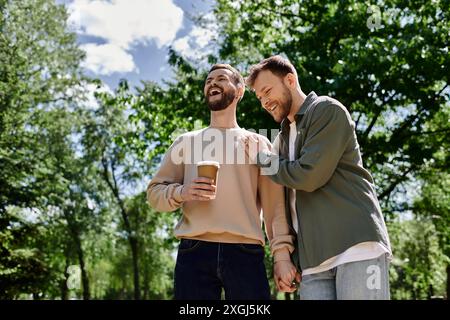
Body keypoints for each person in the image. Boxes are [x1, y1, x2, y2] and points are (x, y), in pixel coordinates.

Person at [242, 55, 392, 300]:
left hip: (356, 247)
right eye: (260, 97)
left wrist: (263, 159)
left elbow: (309, 176)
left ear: (290, 80)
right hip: (312, 263)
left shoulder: (326, 110)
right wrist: (285, 258)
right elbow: (284, 205)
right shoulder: (280, 141)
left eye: (267, 91)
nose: (265, 102)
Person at [147, 63, 297, 300]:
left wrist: (281, 258)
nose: (212, 83)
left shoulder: (259, 144)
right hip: (194, 251)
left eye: (221, 79)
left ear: (239, 91)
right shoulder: (185, 142)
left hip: (246, 252)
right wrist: (182, 192)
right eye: (208, 81)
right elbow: (155, 194)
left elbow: (275, 210)